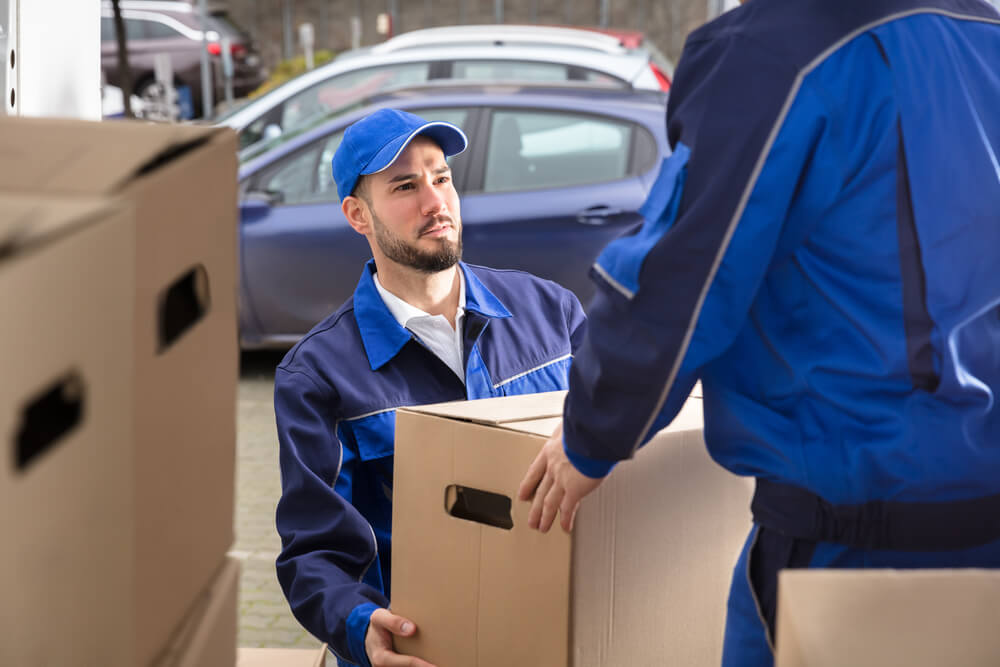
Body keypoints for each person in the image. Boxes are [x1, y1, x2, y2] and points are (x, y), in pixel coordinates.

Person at [518, 1, 1000, 665]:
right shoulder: (984, 32)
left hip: (849, 546)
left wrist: (591, 436)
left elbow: (679, 278)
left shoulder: (778, 50)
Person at [274, 108, 586, 667]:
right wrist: (362, 627)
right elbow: (313, 552)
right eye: (404, 186)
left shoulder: (553, 315)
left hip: (555, 633)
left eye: (441, 177)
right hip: (422, 649)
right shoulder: (318, 375)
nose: (435, 202)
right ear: (357, 215)